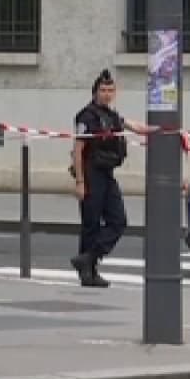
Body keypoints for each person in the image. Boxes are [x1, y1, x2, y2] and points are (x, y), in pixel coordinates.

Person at [70, 69, 156, 288]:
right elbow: (78, 150)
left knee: (118, 221)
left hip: (107, 173)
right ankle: (88, 273)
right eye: (103, 90)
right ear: (95, 91)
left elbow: (134, 126)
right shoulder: (86, 116)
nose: (107, 94)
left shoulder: (112, 115)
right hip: (91, 173)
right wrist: (80, 182)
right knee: (91, 224)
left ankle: (87, 259)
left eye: (111, 90)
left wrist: (157, 130)